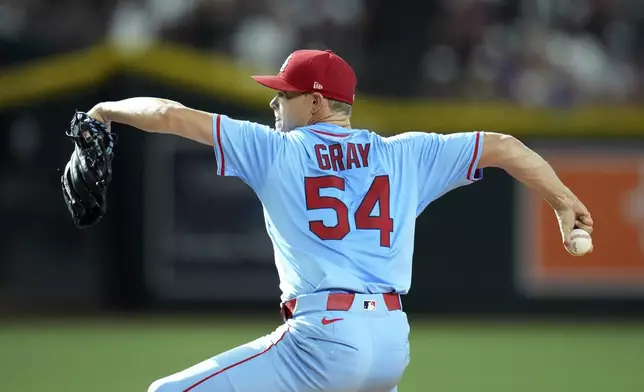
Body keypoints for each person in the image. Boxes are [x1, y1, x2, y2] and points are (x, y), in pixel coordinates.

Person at [85, 49, 594, 392]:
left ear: (317, 101)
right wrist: (562, 201)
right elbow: (503, 147)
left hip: (323, 339)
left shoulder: (272, 150)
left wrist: (103, 111)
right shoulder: (406, 155)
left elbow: (170, 113)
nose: (274, 101)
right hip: (391, 341)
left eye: (284, 94)